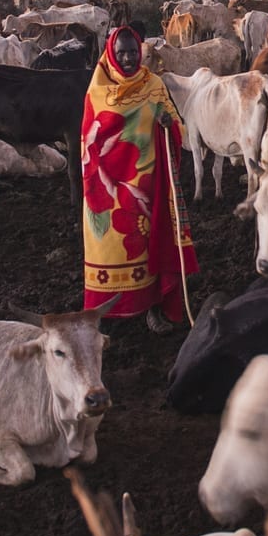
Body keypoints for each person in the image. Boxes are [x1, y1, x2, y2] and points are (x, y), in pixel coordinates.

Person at [80, 26, 197, 333]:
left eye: (134, 51)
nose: (130, 58)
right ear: (110, 53)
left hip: (147, 187)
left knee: (151, 246)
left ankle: (153, 309)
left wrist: (167, 123)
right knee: (111, 249)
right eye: (122, 53)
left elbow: (178, 128)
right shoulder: (96, 90)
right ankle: (108, 315)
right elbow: (88, 141)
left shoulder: (153, 84)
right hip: (106, 191)